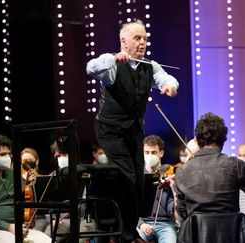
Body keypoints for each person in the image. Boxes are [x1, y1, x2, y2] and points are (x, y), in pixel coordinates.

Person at [86, 20, 179, 242]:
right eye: (137, 38)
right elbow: (91, 67)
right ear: (123, 41)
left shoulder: (149, 66)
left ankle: (128, 228)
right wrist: (112, 58)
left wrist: (170, 87)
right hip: (110, 130)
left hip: (134, 131)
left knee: (138, 179)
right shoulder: (111, 65)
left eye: (145, 39)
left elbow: (167, 78)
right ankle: (127, 234)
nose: (142, 43)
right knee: (126, 176)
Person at [174, 113, 245, 228]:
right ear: (223, 139)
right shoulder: (235, 165)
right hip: (230, 235)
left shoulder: (182, 171)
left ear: (197, 140)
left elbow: (182, 213)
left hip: (196, 236)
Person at [0, 134, 51, 243]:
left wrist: (29, 184)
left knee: (47, 241)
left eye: (8, 154)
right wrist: (9, 227)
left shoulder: (12, 175)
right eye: (3, 154)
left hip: (18, 228)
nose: (7, 157)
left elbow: (23, 199)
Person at [137, 135, 177, 243]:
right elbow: (131, 207)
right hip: (143, 223)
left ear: (161, 153)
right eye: (147, 152)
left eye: (153, 152)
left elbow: (171, 209)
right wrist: (141, 224)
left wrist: (173, 188)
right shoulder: (138, 176)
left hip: (165, 224)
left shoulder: (169, 172)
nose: (150, 156)